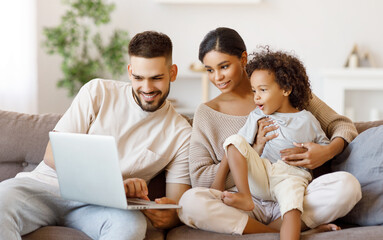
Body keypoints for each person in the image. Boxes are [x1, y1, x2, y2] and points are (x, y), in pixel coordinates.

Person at [0, 31, 192, 240]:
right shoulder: (98, 92)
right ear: (129, 71)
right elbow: (52, 154)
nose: (146, 88)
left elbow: (175, 204)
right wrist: (116, 183)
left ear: (172, 73)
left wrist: (170, 217)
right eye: (138, 78)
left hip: (101, 208)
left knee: (131, 226)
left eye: (156, 78)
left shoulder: (181, 133)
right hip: (46, 188)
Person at [178, 27, 362, 235]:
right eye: (209, 70)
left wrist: (325, 152)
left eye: (224, 66)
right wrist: (253, 150)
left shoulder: (284, 89)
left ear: (243, 59)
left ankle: (278, 228)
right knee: (190, 203)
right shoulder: (207, 112)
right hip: (247, 204)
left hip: (294, 193)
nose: (218, 77)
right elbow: (201, 180)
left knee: (348, 186)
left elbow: (343, 125)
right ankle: (290, 230)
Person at [215, 48, 331, 240]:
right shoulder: (257, 116)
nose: (256, 97)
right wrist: (217, 185)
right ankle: (245, 196)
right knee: (233, 140)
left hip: (292, 175)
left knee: (292, 211)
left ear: (286, 89)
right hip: (263, 172)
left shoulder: (307, 119)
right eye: (254, 91)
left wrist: (310, 152)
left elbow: (324, 149)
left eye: (263, 90)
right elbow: (237, 146)